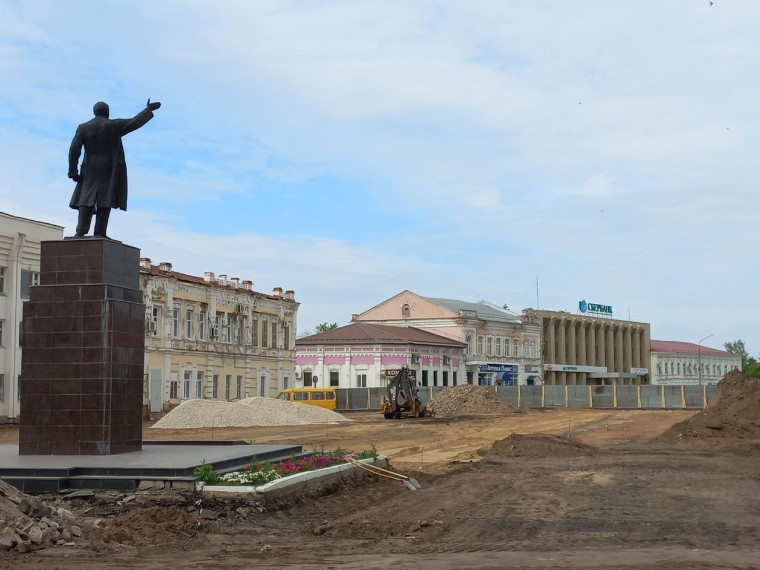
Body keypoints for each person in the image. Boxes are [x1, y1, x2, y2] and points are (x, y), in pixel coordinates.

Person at [68, 99, 161, 237]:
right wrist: (148, 110)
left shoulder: (83, 127)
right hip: (109, 168)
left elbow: (74, 149)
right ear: (107, 112)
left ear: (94, 112)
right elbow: (135, 122)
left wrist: (73, 170)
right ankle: (100, 232)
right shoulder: (114, 125)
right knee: (106, 199)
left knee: (86, 198)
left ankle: (81, 230)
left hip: (90, 169)